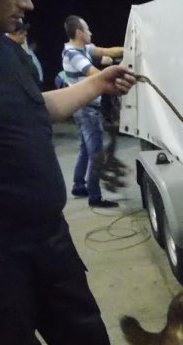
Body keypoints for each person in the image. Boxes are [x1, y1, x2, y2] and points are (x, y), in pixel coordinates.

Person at [0, 1, 180, 345]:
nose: (27, 4)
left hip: (46, 230)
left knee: (79, 321)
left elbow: (40, 108)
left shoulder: (8, 53)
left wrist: (96, 84)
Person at [62, 14, 124, 208]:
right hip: (87, 110)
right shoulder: (73, 54)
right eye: (87, 29)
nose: (91, 32)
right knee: (97, 153)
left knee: (84, 149)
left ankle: (79, 185)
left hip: (82, 109)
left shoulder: (83, 48)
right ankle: (95, 197)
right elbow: (94, 75)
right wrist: (116, 71)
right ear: (79, 33)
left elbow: (107, 50)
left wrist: (127, 48)